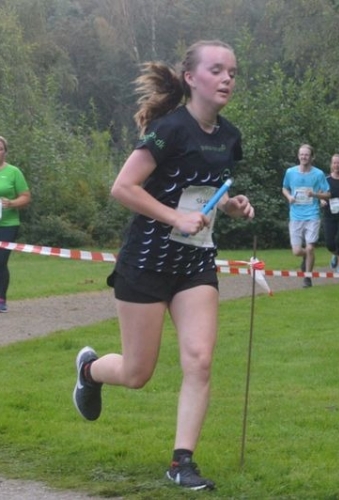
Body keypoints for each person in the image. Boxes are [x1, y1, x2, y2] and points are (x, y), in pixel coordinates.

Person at [72, 40, 254, 491]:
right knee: (137, 373)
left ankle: (181, 462)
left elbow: (203, 190)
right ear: (191, 78)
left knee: (200, 360)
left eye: (232, 72)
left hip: (195, 263)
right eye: (217, 70)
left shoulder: (229, 137)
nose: (227, 79)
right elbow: (123, 187)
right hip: (147, 262)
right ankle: (90, 371)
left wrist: (230, 206)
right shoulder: (168, 129)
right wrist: (175, 217)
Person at [282, 144, 330, 288]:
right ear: (298, 156)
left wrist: (314, 194)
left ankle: (307, 277)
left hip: (312, 215)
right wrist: (289, 197)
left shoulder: (318, 174)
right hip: (295, 215)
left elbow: (328, 194)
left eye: (306, 155)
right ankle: (305, 257)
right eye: (301, 154)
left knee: (310, 248)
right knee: (297, 251)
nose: (304, 157)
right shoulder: (290, 172)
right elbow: (284, 188)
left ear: (312, 157)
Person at [0, 136, 31, 313]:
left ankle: (1, 299)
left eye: (0, 149)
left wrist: (11, 203)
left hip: (7, 224)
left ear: (5, 151)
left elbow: (26, 197)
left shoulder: (13, 172)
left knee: (0, 260)